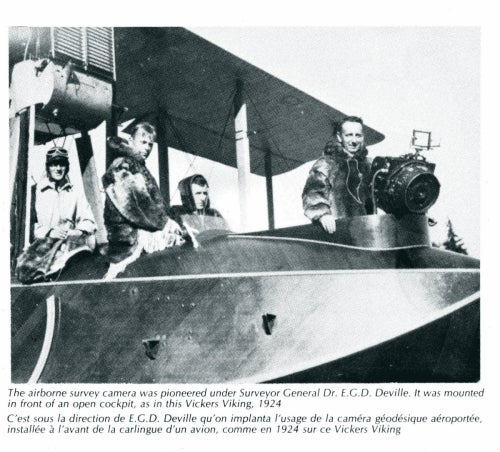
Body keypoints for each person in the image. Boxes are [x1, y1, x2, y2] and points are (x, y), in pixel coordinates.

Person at [102, 122, 183, 278]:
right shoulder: (122, 165)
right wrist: (164, 222)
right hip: (128, 239)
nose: (147, 148)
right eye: (143, 142)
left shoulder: (139, 166)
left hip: (142, 230)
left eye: (150, 144)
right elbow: (134, 202)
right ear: (131, 141)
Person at [15, 147, 96, 283]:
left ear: (67, 167)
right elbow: (25, 226)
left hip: (68, 246)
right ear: (48, 167)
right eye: (54, 164)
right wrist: (49, 232)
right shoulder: (35, 192)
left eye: (62, 164)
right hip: (41, 248)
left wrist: (76, 231)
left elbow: (89, 221)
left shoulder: (75, 192)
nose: (58, 168)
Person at [302, 116, 373, 233]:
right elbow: (312, 193)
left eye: (358, 135)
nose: (354, 141)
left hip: (367, 232)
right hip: (339, 232)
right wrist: (322, 215)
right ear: (340, 137)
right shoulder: (325, 165)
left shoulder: (369, 165)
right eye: (349, 135)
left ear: (363, 137)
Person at [169, 174, 230, 246]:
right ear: (188, 195)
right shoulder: (176, 213)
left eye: (205, 193)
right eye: (198, 193)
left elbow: (227, 236)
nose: (203, 198)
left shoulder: (214, 214)